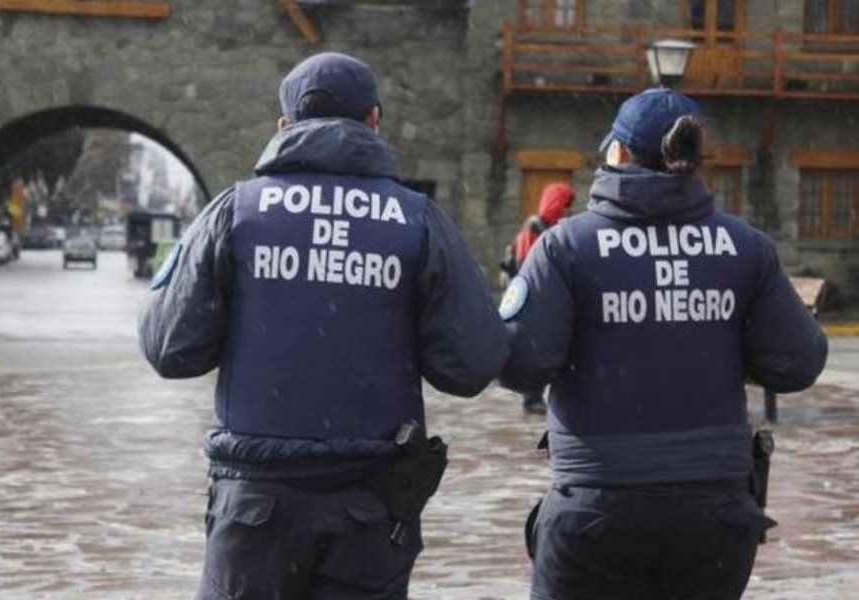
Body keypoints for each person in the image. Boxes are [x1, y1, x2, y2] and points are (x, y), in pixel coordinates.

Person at [139, 52, 508, 599]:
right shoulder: (418, 221)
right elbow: (472, 365)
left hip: (255, 506)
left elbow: (170, 348)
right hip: (368, 509)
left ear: (283, 126)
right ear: (374, 120)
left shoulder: (235, 213)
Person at [499, 88, 828, 600]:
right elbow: (798, 364)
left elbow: (519, 363)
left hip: (597, 509)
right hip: (714, 517)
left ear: (619, 154)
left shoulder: (567, 246)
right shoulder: (746, 248)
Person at [509, 182, 575, 414]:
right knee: (534, 345)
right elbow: (524, 264)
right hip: (532, 295)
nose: (568, 210)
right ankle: (531, 397)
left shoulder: (556, 227)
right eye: (565, 205)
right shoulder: (534, 226)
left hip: (551, 294)